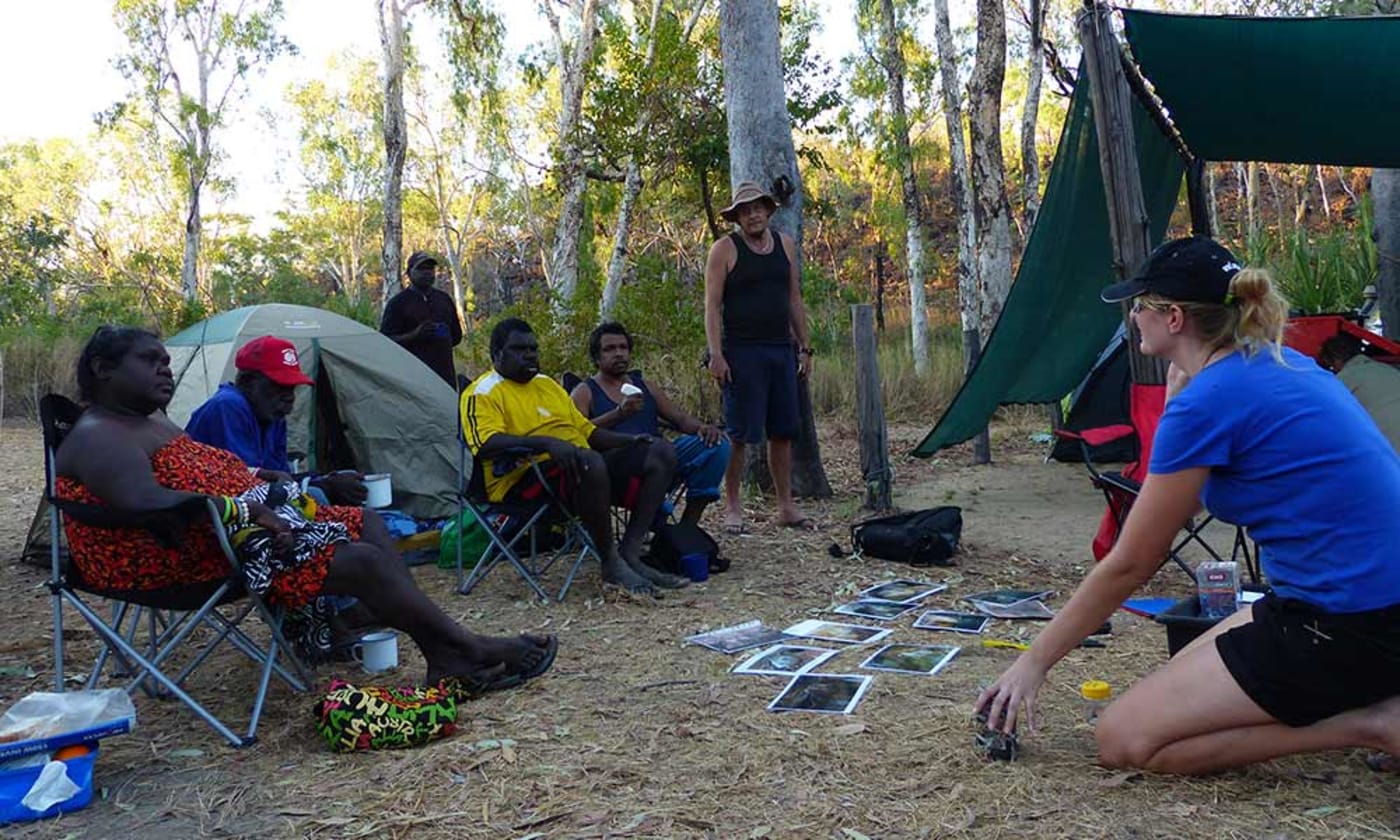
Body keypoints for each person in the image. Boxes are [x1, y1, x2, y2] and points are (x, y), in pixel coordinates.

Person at [974, 237, 1400, 775]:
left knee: (1124, 740)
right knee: (1179, 677)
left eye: (1142, 305)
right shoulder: (1273, 362)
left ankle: (1376, 722)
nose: (1133, 317)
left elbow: (1133, 561)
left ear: (1173, 318)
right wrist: (1176, 405)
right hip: (1359, 603)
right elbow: (1187, 508)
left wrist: (1033, 663)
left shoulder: (1210, 400)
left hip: (1351, 621)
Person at [55, 326, 555, 692]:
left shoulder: (149, 422)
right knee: (360, 559)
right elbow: (144, 501)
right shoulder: (102, 434)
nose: (165, 369)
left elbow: (207, 472)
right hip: (175, 560)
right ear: (103, 370)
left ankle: (434, 643)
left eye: (167, 361)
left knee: (366, 523)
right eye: (151, 361)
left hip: (221, 537)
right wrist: (245, 510)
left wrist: (261, 482)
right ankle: (452, 647)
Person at [462, 318, 689, 595]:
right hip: (522, 479)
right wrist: (547, 443)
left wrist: (631, 441)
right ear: (497, 353)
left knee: (660, 451)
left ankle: (630, 552)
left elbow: (587, 431)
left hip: (580, 468)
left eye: (533, 349)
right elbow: (485, 443)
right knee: (588, 460)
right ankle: (610, 563)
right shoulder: (482, 391)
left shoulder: (546, 385)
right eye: (520, 350)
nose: (530, 355)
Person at [703, 180, 814, 535]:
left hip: (780, 350)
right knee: (739, 433)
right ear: (736, 217)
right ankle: (732, 506)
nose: (752, 214)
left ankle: (785, 506)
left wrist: (805, 346)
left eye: (757, 208)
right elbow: (711, 306)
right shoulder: (724, 250)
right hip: (741, 352)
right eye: (744, 210)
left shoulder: (785, 245)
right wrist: (716, 355)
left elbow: (794, 299)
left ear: (768, 210)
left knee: (782, 431)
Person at [570, 321, 731, 527]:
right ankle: (653, 518)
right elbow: (578, 434)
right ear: (596, 357)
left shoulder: (646, 386)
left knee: (716, 444)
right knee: (654, 450)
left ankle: (687, 528)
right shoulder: (585, 391)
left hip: (663, 458)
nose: (619, 353)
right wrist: (619, 414)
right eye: (609, 349)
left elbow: (679, 419)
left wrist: (703, 428)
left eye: (623, 347)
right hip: (614, 469)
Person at [185, 335, 367, 506]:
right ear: (247, 381)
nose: (289, 397)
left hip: (256, 505)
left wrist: (326, 480)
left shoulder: (272, 416)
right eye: (279, 386)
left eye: (292, 388)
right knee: (319, 496)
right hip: (221, 513)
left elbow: (281, 478)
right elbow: (245, 486)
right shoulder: (228, 406)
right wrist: (324, 486)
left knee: (345, 478)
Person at [380, 251, 463, 386]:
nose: (427, 272)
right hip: (413, 379)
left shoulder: (444, 299)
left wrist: (441, 336)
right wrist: (414, 335)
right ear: (408, 273)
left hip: (445, 377)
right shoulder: (398, 303)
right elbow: (385, 341)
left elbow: (457, 337)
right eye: (421, 268)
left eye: (430, 269)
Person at [1317, 332, 1400, 452]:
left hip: (1389, 450)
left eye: (1331, 366)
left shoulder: (1345, 377)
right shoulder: (1387, 370)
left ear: (1336, 359)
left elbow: (1324, 416)